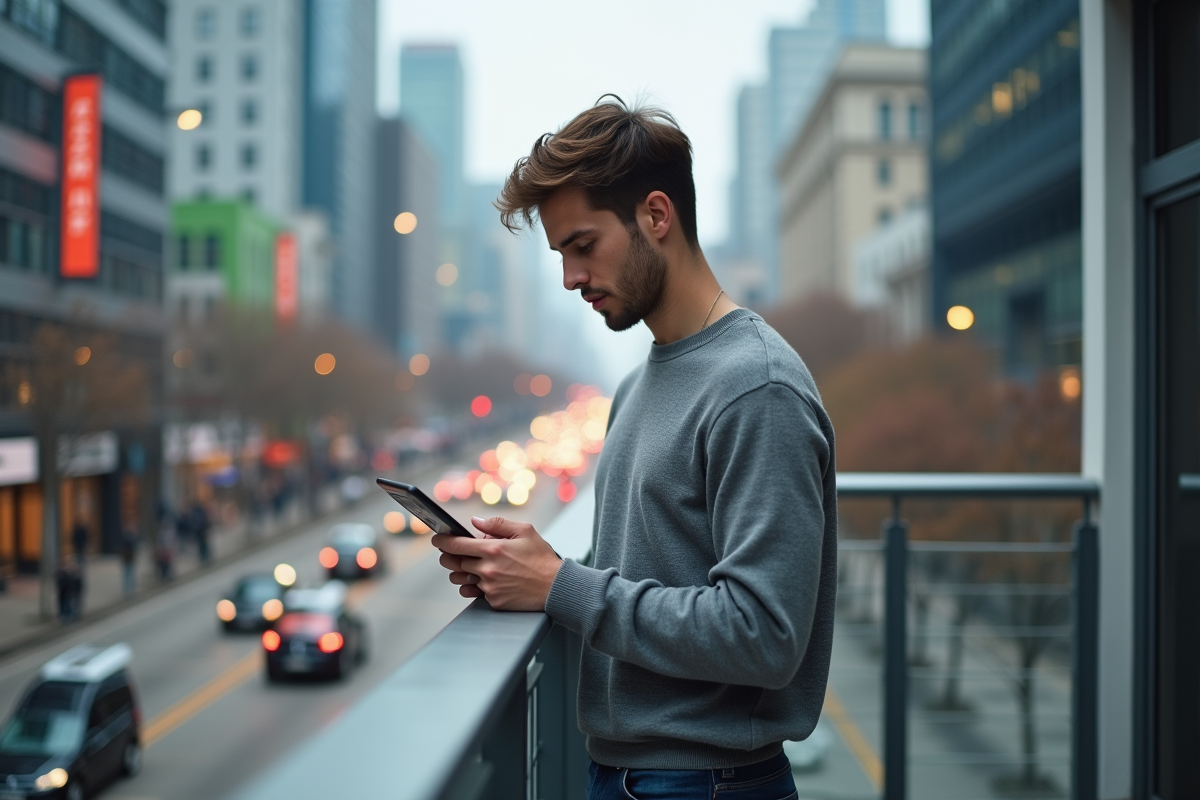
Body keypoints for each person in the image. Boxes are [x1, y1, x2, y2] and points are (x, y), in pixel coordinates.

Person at [431, 98, 838, 800]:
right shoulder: (637, 384)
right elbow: (654, 568)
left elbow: (765, 635)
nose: (569, 278)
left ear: (656, 216)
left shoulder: (757, 387)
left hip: (708, 784)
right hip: (625, 776)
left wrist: (562, 587)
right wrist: (530, 571)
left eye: (583, 246)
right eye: (560, 254)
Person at [119, 523, 139, 594]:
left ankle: (128, 588)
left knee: (128, 572)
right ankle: (129, 588)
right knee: (129, 572)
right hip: (128, 557)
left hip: (128, 557)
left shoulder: (125, 538)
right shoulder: (130, 538)